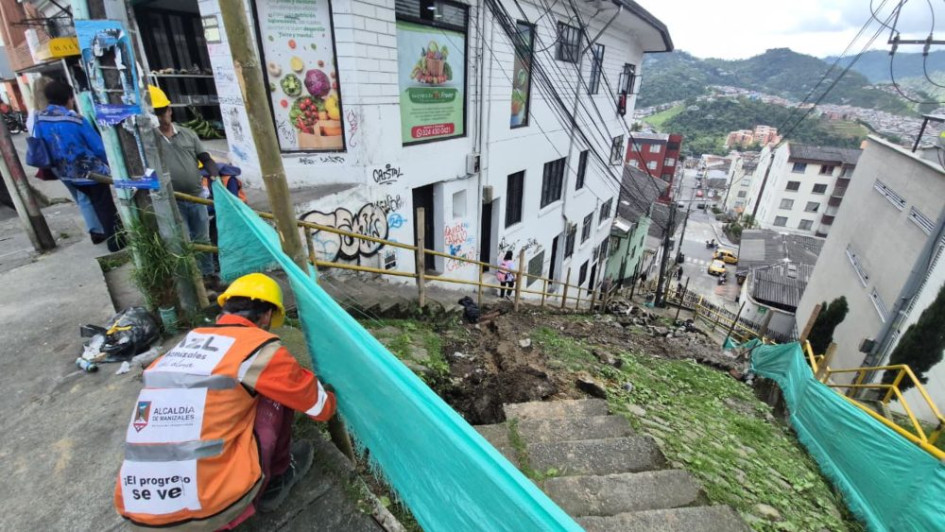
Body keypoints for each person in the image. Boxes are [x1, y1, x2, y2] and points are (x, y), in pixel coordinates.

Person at [114, 273, 337, 529]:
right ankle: (277, 478)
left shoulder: (184, 345)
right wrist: (329, 394)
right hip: (208, 510)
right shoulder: (260, 349)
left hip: (136, 508)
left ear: (224, 310)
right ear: (266, 316)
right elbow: (320, 408)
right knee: (275, 395)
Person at [33, 80, 122, 251]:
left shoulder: (40, 119)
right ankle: (116, 241)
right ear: (68, 98)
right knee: (104, 205)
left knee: (91, 202)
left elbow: (41, 143)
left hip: (65, 172)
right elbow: (98, 146)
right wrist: (111, 164)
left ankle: (99, 231)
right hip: (90, 172)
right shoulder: (75, 119)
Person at [149, 85, 222, 288]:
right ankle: (191, 281)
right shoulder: (149, 139)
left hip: (196, 195)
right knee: (181, 240)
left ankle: (208, 277)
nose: (160, 117)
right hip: (171, 200)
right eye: (155, 114)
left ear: (169, 110)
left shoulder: (188, 134)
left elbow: (205, 158)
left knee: (202, 238)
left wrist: (215, 176)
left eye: (162, 112)